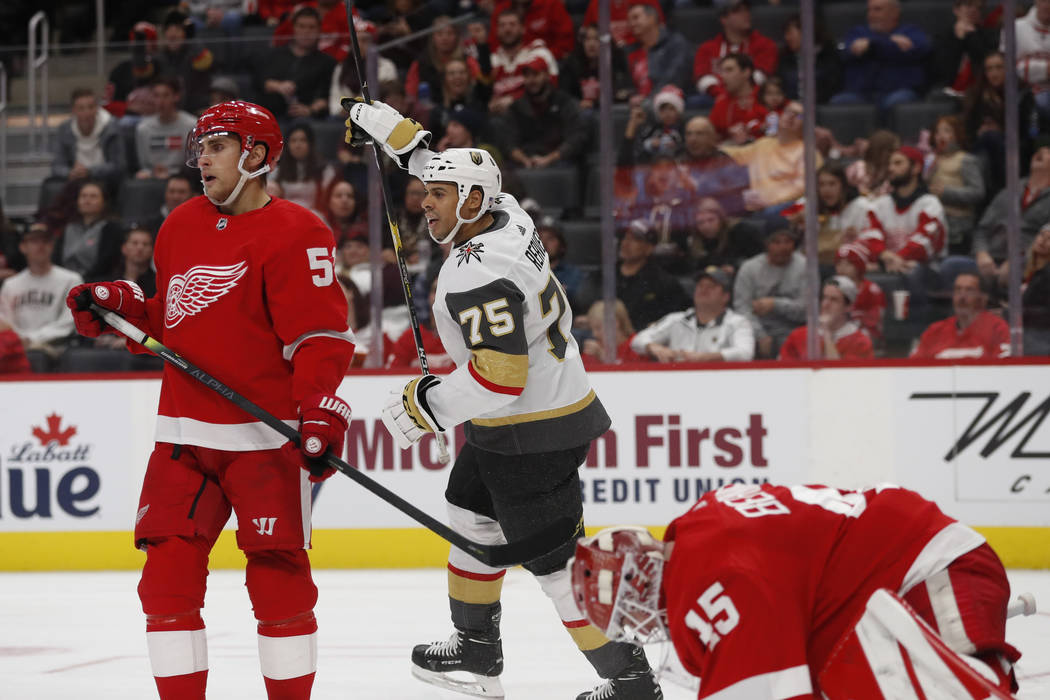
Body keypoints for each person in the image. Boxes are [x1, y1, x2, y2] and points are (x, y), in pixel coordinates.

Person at [345, 98, 664, 699]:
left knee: (558, 568)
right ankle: (476, 648)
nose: (424, 200)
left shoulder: (477, 271)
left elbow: (498, 377)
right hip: (521, 421)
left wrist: (425, 406)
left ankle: (630, 682)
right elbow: (442, 166)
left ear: (469, 202)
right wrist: (390, 132)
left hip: (528, 433)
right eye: (427, 191)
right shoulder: (508, 214)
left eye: (437, 196)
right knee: (470, 513)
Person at [64, 100, 355, 700]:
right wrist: (119, 306)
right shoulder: (181, 223)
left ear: (256, 154)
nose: (201, 158)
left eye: (216, 146)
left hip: (263, 442)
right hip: (183, 439)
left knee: (278, 582)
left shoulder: (300, 231)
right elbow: (173, 324)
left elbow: (318, 338)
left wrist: (320, 406)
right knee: (165, 585)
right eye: (200, 146)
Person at [570, 482, 1021, 699]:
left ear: (639, 591)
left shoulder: (709, 592)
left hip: (931, 575)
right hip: (912, 567)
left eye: (627, 618)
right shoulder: (700, 525)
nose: (638, 627)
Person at [853, 147, 947, 299]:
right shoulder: (881, 204)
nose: (891, 168)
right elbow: (870, 235)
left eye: (898, 163)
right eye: (890, 164)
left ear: (916, 167)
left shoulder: (930, 203)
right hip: (887, 263)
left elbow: (925, 242)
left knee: (912, 271)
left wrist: (896, 258)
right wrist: (885, 255)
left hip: (924, 268)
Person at [0, 223, 82, 369]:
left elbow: (70, 321)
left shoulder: (71, 280)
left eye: (45, 241)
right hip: (18, 349)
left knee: (39, 357)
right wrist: (20, 340)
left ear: (52, 246)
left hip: (57, 349)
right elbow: (5, 321)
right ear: (23, 247)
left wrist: (32, 339)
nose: (40, 246)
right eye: (34, 241)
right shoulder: (11, 285)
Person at [631, 267, 754, 363]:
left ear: (726, 296)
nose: (703, 289)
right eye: (700, 285)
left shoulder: (738, 322)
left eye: (711, 286)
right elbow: (637, 341)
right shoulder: (676, 319)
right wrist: (655, 348)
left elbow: (745, 353)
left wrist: (705, 358)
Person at [832, 0, 932, 117]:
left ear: (894, 13)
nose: (871, 14)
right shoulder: (857, 32)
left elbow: (921, 49)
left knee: (895, 102)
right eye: (869, 10)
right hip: (861, 93)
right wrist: (890, 43)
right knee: (840, 102)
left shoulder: (911, 32)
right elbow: (846, 53)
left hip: (898, 92)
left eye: (877, 9)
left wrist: (871, 44)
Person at [972, 138, 1050, 285]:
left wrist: (1019, 261)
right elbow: (982, 229)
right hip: (990, 257)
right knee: (953, 265)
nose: (1041, 153)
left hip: (1028, 261)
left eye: (1048, 152)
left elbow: (1045, 240)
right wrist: (981, 254)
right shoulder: (1009, 191)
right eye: (1039, 151)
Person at [722, 101, 819, 215]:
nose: (791, 116)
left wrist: (767, 200)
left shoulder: (808, 153)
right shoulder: (764, 144)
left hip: (781, 207)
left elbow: (801, 187)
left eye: (798, 115)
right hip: (752, 204)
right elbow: (733, 153)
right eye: (788, 112)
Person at [733, 218, 806, 358]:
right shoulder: (750, 268)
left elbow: (807, 310)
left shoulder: (805, 267)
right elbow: (742, 309)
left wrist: (774, 304)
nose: (783, 247)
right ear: (766, 244)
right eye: (776, 242)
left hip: (793, 330)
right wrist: (760, 336)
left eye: (788, 241)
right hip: (757, 330)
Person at [505, 57, 589, 170]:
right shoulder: (517, 107)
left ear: (547, 75)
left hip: (559, 160)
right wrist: (525, 160)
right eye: (527, 76)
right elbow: (509, 142)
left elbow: (576, 138)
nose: (531, 80)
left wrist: (549, 159)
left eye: (535, 74)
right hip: (525, 162)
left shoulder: (564, 102)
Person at [255, 6, 336, 121]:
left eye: (312, 27)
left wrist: (310, 110)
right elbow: (260, 81)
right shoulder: (275, 55)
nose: (306, 31)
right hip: (271, 115)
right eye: (301, 26)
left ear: (319, 30)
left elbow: (328, 96)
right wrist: (278, 86)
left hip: (307, 119)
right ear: (293, 28)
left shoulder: (327, 62)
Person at [693, 0, 777, 106]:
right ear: (724, 19)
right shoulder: (707, 48)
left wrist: (739, 94)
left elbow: (761, 76)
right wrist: (723, 95)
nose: (745, 14)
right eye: (738, 11)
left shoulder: (765, 45)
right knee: (696, 102)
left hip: (753, 98)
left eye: (746, 10)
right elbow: (702, 79)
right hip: (717, 98)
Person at [911, 271, 1009, 359]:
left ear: (983, 298)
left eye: (969, 290)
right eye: (958, 290)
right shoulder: (934, 331)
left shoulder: (997, 328)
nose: (962, 296)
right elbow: (914, 368)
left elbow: (1004, 369)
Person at [927, 115, 985, 255]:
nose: (941, 136)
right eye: (937, 132)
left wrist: (946, 193)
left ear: (957, 135)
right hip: (934, 222)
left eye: (947, 131)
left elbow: (978, 192)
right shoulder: (932, 161)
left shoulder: (966, 160)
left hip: (958, 226)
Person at [779, 276, 874, 360]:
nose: (825, 304)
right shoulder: (798, 335)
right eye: (824, 298)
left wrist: (826, 333)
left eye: (834, 300)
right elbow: (782, 372)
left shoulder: (860, 343)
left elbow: (838, 376)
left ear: (848, 306)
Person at [51, 88, 126, 190]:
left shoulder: (112, 128)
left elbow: (119, 166)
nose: (87, 112)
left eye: (91, 107)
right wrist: (70, 173)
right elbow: (57, 166)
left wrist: (90, 172)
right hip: (76, 181)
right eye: (81, 108)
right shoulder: (64, 130)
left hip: (106, 182)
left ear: (97, 109)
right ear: (73, 110)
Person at [488, 7, 559, 115]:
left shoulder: (538, 52)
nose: (507, 29)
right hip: (499, 119)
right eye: (502, 25)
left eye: (512, 24)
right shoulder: (492, 59)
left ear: (523, 28)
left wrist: (513, 100)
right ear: (497, 30)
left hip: (536, 115)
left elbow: (549, 87)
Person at [55, 179, 126, 283]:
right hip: (64, 281)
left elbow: (105, 263)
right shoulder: (68, 227)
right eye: (83, 196)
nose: (87, 200)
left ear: (104, 202)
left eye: (93, 196)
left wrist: (81, 282)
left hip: (93, 283)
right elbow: (56, 259)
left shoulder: (110, 228)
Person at [678, 116, 750, 216]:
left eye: (700, 134)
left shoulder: (725, 162)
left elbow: (737, 199)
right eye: (689, 134)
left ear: (712, 138)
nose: (693, 139)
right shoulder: (679, 162)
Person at [623, 2, 693, 97]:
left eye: (636, 18)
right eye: (629, 20)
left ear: (652, 18)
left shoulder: (676, 44)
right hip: (639, 104)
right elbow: (627, 85)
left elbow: (675, 78)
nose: (632, 24)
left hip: (669, 101)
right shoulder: (631, 50)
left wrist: (648, 98)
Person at [135, 78, 198, 180]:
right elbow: (144, 165)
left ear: (176, 97)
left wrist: (171, 174)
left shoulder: (191, 125)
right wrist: (150, 172)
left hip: (182, 177)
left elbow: (193, 163)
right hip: (152, 177)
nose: (160, 101)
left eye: (165, 95)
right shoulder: (143, 128)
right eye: (156, 96)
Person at [560, 23, 633, 110]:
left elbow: (623, 92)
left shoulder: (617, 61)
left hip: (610, 111)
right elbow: (564, 95)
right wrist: (578, 103)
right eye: (587, 39)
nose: (591, 44)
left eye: (597, 39)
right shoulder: (571, 64)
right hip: (580, 112)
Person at [269, 123, 336, 214]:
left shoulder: (324, 170)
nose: (298, 145)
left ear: (310, 144)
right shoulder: (277, 171)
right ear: (287, 145)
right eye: (293, 141)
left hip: (314, 215)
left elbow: (330, 199)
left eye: (303, 140)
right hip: (284, 214)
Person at [933, 0, 998, 93]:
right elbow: (941, 69)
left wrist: (972, 35)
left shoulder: (989, 36)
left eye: (979, 8)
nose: (973, 10)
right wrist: (959, 39)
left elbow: (986, 61)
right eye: (969, 5)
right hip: (948, 88)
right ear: (956, 10)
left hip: (981, 88)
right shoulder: (943, 36)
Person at [687, 198, 763, 277]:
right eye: (701, 223)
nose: (706, 226)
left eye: (711, 220)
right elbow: (696, 268)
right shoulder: (698, 241)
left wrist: (735, 268)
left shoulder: (742, 231)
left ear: (721, 219)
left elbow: (759, 259)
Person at [708, 54, 767, 145]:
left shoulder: (766, 97)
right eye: (722, 71)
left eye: (729, 70)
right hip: (730, 152)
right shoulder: (721, 102)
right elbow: (712, 134)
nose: (723, 76)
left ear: (746, 72)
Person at [619, 86, 685, 166]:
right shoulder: (651, 129)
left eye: (671, 109)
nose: (667, 113)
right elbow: (639, 149)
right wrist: (650, 144)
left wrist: (676, 146)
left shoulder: (684, 130)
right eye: (663, 109)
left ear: (678, 111)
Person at [835, 241, 887, 342]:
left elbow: (876, 322)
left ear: (859, 266)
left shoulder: (872, 290)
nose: (841, 268)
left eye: (848, 264)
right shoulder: (833, 288)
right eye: (838, 263)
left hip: (865, 339)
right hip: (839, 336)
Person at [1011, 0, 1050, 123]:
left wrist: (1027, 67)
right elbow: (1005, 67)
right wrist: (1045, 69)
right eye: (1044, 0)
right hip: (1022, 91)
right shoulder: (1016, 27)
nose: (1048, 5)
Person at [580, 298, 644, 366]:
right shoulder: (595, 349)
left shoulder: (638, 345)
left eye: (598, 328)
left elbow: (636, 373)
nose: (594, 334)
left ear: (614, 323)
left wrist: (604, 358)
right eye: (592, 329)